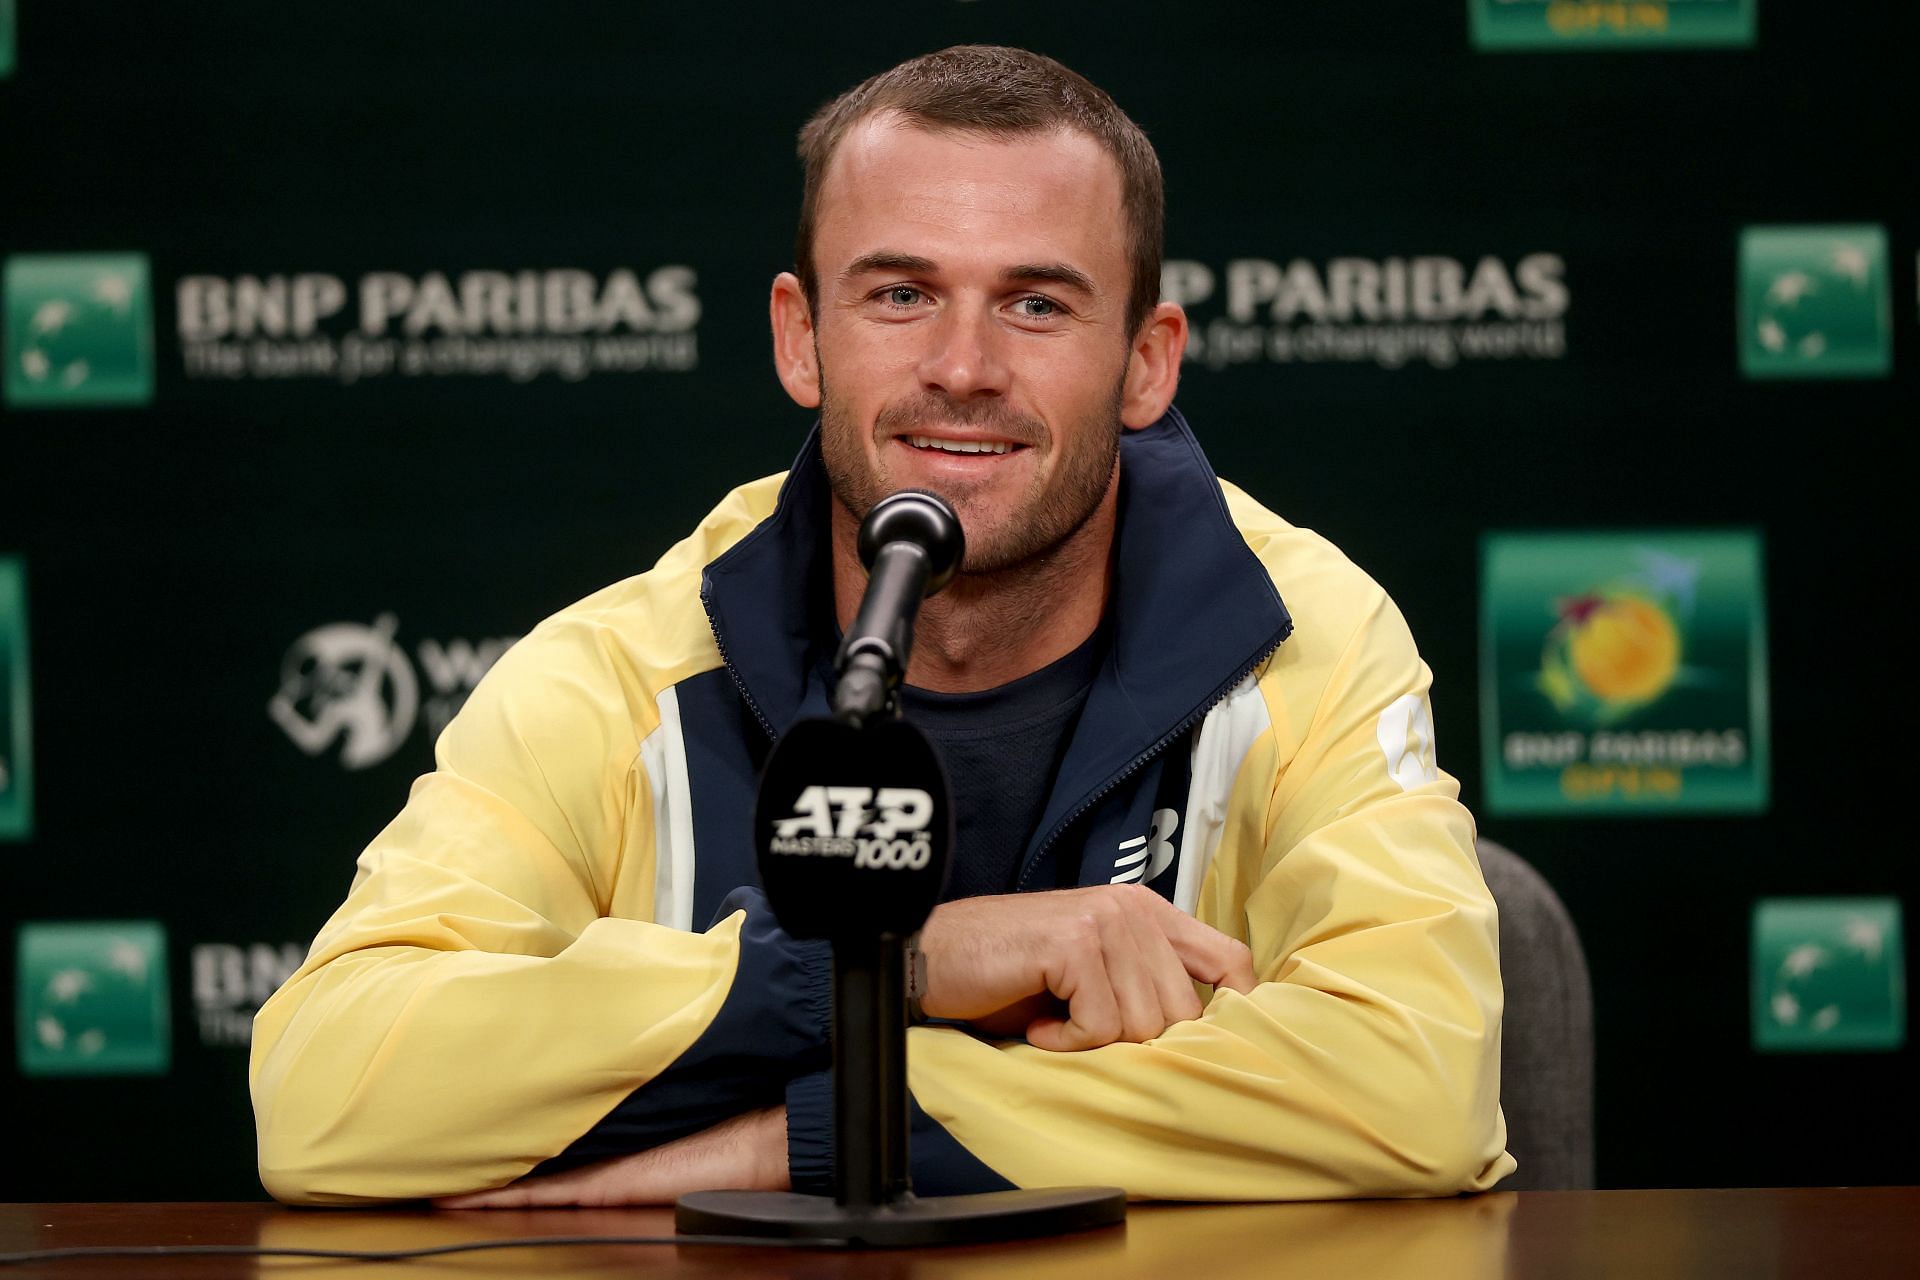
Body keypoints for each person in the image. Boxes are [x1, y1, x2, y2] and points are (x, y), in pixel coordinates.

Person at [251, 45, 1514, 1206]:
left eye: (1036, 304)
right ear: (803, 338)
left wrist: (816, 1133)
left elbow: (1417, 1089)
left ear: (1147, 360)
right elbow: (325, 1093)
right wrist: (884, 968)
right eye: (902, 293)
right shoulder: (628, 665)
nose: (963, 366)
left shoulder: (1303, 636)